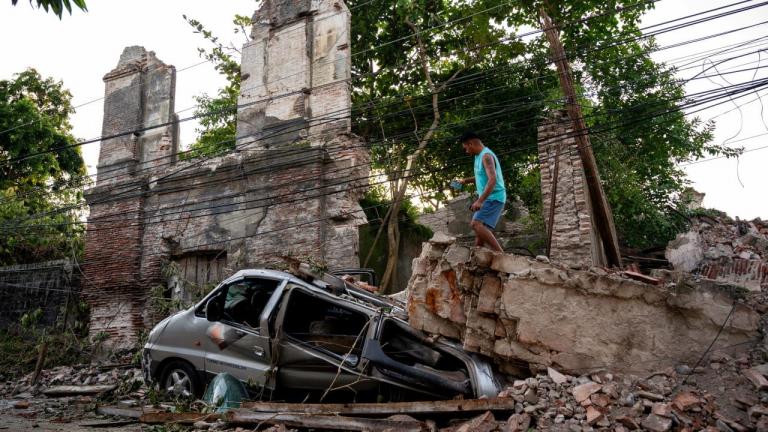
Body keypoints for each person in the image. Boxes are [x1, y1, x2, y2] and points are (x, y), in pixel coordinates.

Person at [454, 131, 506, 252]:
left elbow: (492, 180)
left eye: (466, 148)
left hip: (494, 197)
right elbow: (481, 176)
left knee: (475, 224)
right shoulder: (478, 156)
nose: (466, 151)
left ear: (470, 144)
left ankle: (501, 255)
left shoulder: (486, 156)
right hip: (490, 197)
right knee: (480, 233)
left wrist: (480, 201)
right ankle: (476, 259)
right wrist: (464, 181)